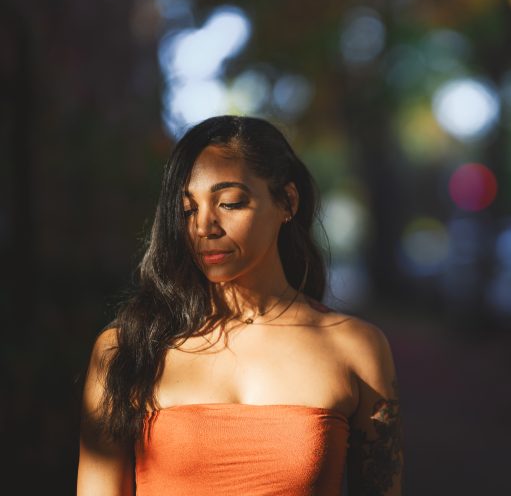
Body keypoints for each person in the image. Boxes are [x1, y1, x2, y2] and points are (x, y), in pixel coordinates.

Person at [77, 115, 403, 495]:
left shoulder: (356, 349)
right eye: (187, 210)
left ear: (287, 201)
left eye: (229, 203)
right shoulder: (126, 349)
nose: (204, 226)